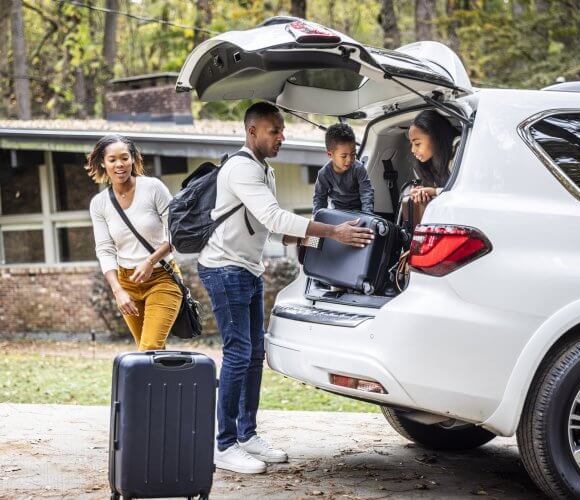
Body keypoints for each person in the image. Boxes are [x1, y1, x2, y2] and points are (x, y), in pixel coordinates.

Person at [198, 102, 374, 474]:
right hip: (223, 269)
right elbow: (275, 217)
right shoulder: (241, 168)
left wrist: (320, 245)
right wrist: (333, 231)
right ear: (252, 133)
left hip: (247, 268)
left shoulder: (265, 170)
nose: (281, 136)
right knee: (237, 352)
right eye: (273, 131)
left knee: (255, 351)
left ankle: (246, 435)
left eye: (281, 129)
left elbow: (273, 228)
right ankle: (223, 444)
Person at [87, 134, 182, 351]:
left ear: (133, 159)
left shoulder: (153, 188)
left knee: (149, 348)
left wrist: (151, 261)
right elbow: (104, 249)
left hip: (162, 277)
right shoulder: (99, 204)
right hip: (127, 282)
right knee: (147, 352)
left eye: (124, 158)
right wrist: (118, 290)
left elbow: (177, 232)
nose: (119, 164)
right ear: (103, 162)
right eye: (112, 159)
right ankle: (161, 386)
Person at [312, 122, 374, 215]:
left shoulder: (359, 168)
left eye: (353, 154)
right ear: (330, 154)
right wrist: (317, 219)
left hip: (360, 211)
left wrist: (367, 216)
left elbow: (367, 193)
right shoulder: (324, 174)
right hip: (338, 213)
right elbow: (319, 199)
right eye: (344, 156)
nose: (349, 160)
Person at [407, 109, 461, 205]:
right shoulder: (428, 163)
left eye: (417, 143)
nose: (412, 150)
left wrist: (435, 191)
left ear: (435, 136)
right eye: (411, 144)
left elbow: (465, 193)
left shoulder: (459, 150)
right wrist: (423, 191)